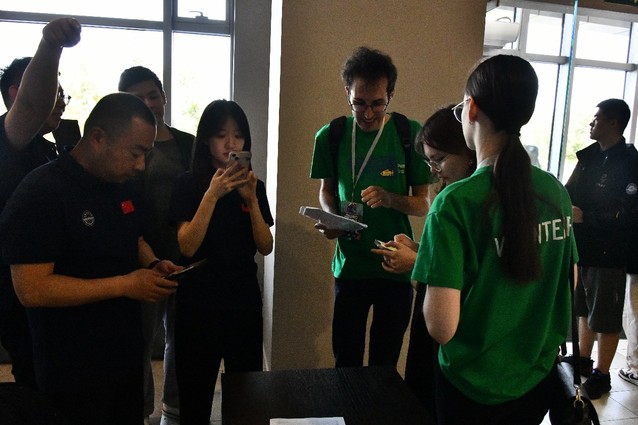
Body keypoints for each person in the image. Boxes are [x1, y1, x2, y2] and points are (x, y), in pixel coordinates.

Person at [0, 92, 181, 425]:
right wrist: (125, 285)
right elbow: (32, 288)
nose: (140, 165)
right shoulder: (43, 191)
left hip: (125, 359)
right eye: (135, 153)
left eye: (146, 154)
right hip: (71, 370)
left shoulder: (123, 184)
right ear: (98, 137)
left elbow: (135, 238)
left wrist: (153, 264)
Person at [416, 55, 577, 424]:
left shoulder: (454, 203)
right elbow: (569, 282)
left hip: (471, 385)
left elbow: (441, 327)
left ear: (471, 108)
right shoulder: (555, 192)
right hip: (535, 378)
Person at [309, 46, 430, 368]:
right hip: (350, 267)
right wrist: (332, 218)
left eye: (377, 103)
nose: (367, 113)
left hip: (395, 266)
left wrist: (391, 199)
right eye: (358, 103)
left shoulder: (409, 133)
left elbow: (423, 204)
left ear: (391, 95)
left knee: (384, 365)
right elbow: (326, 191)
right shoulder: (331, 135)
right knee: (345, 362)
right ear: (347, 92)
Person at [169, 99, 273, 424]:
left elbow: (265, 246)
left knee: (246, 399)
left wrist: (251, 200)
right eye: (221, 135)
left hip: (243, 303)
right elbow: (188, 245)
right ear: (206, 140)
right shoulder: (188, 184)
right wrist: (212, 195)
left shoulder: (254, 187)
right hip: (197, 305)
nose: (231, 144)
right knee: (195, 398)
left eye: (238, 135)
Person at [371, 106, 475, 417]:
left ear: (468, 150)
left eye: (439, 160)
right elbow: (447, 256)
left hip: (452, 324)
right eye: (430, 162)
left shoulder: (464, 201)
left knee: (432, 401)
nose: (434, 171)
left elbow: (465, 275)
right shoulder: (451, 193)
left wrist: (415, 262)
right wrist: (417, 248)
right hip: (431, 312)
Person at [0, 17, 80, 389]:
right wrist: (51, 45)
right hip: (17, 294)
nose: (61, 100)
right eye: (55, 90)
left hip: (50, 291)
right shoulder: (10, 138)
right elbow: (32, 107)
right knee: (35, 382)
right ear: (17, 92)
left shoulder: (51, 151)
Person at [119, 65, 195, 425]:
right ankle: (140, 409)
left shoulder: (188, 144)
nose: (149, 103)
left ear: (164, 96)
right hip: (137, 258)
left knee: (180, 339)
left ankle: (174, 408)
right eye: (138, 99)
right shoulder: (123, 149)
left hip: (183, 258)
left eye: (153, 95)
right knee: (139, 339)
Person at [564, 98, 638, 398]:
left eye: (597, 118)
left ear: (613, 123)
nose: (591, 123)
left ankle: (602, 374)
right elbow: (568, 191)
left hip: (610, 251)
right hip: (584, 247)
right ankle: (583, 358)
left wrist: (587, 217)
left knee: (605, 315)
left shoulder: (629, 162)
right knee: (583, 306)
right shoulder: (590, 157)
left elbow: (629, 211)